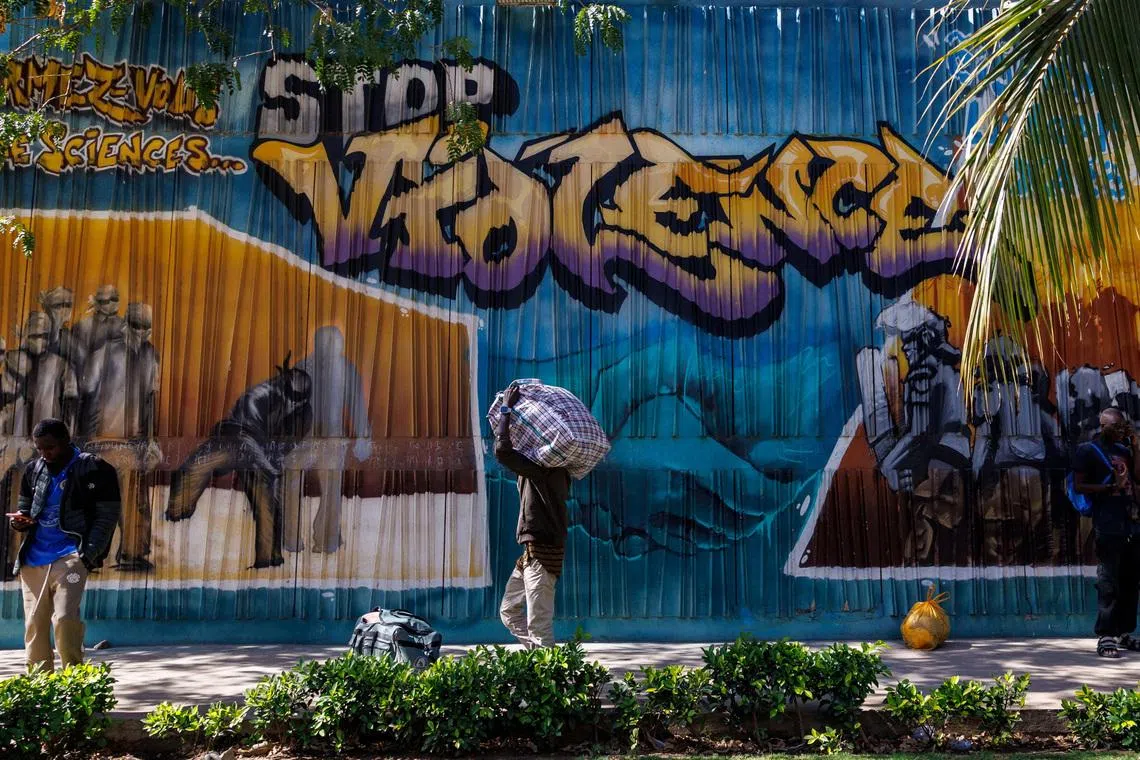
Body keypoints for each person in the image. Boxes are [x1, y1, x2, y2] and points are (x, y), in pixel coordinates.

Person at [6, 418, 121, 672]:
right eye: (39, 449)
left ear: (65, 442)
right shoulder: (33, 470)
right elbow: (26, 508)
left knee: (65, 619)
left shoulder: (94, 468)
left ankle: (73, 681)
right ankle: (40, 687)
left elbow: (107, 516)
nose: (45, 454)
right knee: (34, 624)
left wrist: (87, 555)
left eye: (50, 448)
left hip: (70, 557)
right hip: (34, 558)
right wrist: (20, 522)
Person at [494, 382, 571, 649]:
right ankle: (540, 661)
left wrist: (506, 410)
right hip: (530, 554)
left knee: (539, 625)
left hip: (542, 554)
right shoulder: (547, 469)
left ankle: (547, 676)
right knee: (509, 612)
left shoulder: (546, 468)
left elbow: (503, 451)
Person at [1073, 407, 1140, 658]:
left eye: (1124, 426)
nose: (1121, 430)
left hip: (1131, 522)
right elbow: (1079, 486)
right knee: (1108, 580)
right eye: (1116, 427)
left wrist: (1136, 447)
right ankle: (1106, 635)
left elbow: (1138, 477)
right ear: (1103, 426)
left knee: (1131, 580)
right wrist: (1111, 486)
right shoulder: (1088, 451)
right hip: (1108, 522)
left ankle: (1125, 632)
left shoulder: (1124, 450)